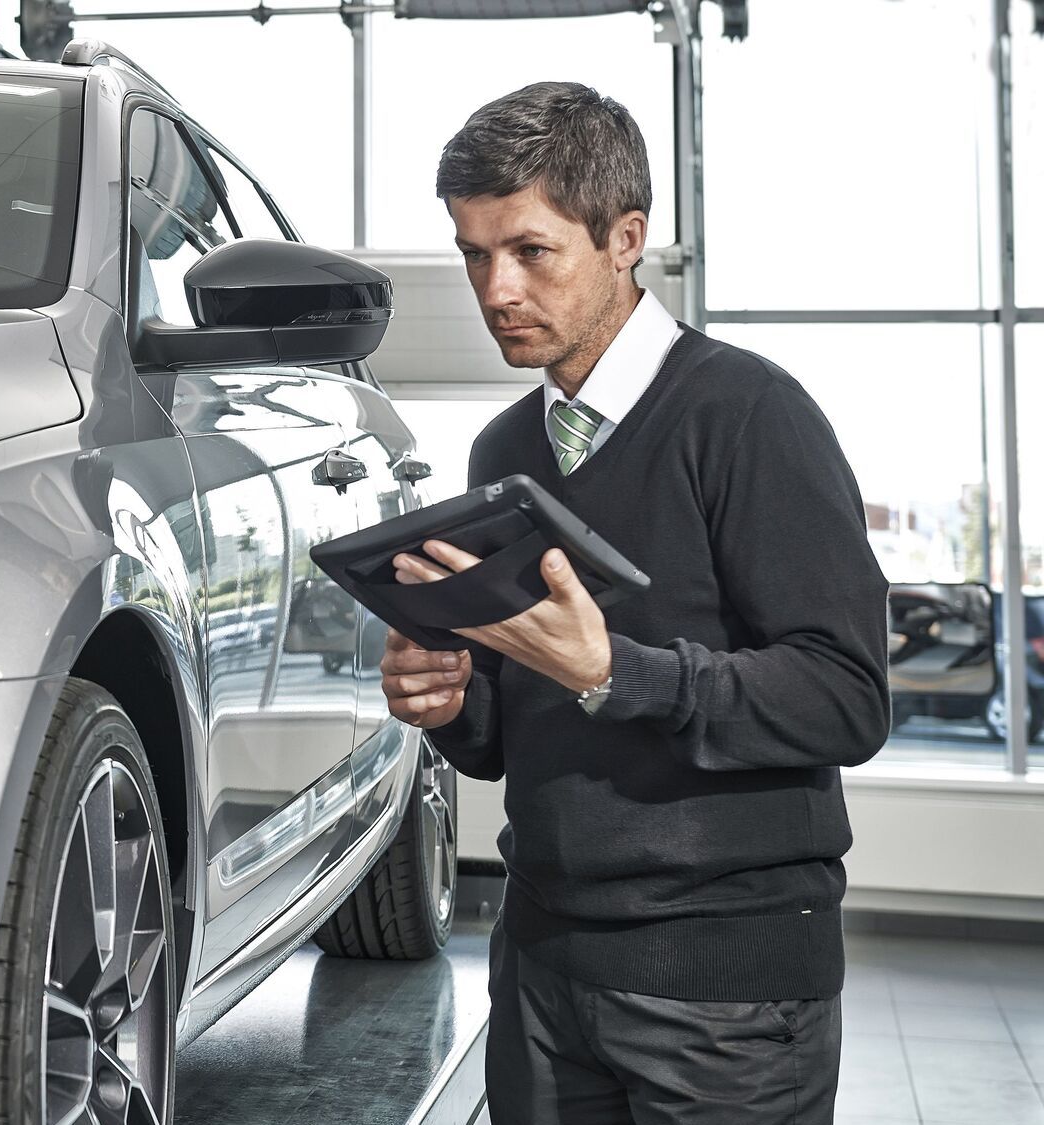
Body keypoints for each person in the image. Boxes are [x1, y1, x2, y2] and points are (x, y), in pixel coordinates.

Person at [380, 82, 891, 1124]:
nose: (495, 288)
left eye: (529, 252)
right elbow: (509, 737)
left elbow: (846, 697)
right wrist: (450, 704)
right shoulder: (506, 453)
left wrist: (615, 671)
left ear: (625, 239)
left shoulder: (747, 416)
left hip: (723, 996)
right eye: (473, 255)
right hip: (540, 969)